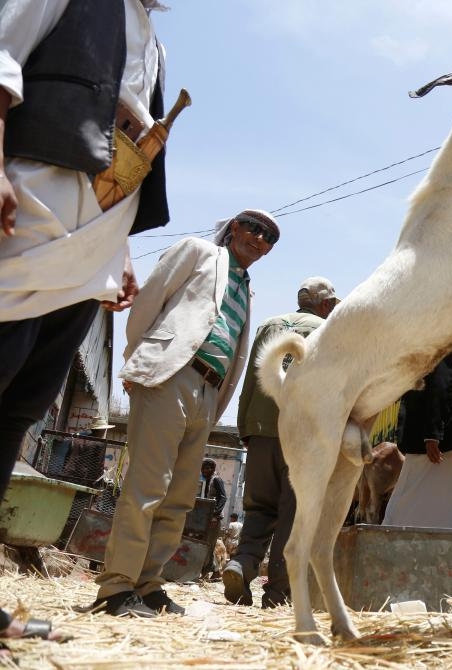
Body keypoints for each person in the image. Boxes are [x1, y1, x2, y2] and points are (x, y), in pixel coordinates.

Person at [0, 0, 172, 644]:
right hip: (25, 216)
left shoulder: (152, 39)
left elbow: (122, 148)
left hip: (90, 247)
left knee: (17, 410)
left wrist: (120, 250)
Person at [88, 208, 279, 617]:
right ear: (233, 228)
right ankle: (117, 587)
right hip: (171, 374)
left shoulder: (246, 290)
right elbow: (147, 304)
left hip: (208, 392)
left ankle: (148, 584)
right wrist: (140, 362)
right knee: (146, 486)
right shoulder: (197, 252)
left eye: (270, 238)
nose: (260, 239)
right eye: (255, 227)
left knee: (178, 498)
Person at [224, 276, 339, 608]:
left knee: (258, 507)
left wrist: (245, 426)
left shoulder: (268, 326)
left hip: (260, 429)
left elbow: (250, 379)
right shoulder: (329, 330)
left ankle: (242, 564)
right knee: (295, 513)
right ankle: (276, 593)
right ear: (326, 304)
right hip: (301, 434)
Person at [382, 340, 452, 529]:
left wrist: (432, 434)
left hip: (441, 441)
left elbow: (442, 379)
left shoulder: (444, 330)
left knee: (406, 507)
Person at [198, 457, 227, 579]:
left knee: (210, 544)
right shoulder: (205, 480)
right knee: (206, 545)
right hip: (206, 517)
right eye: (203, 468)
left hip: (214, 518)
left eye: (207, 468)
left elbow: (223, 497)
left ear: (213, 469)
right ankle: (211, 570)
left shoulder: (216, 480)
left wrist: (215, 515)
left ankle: (213, 571)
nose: (204, 470)